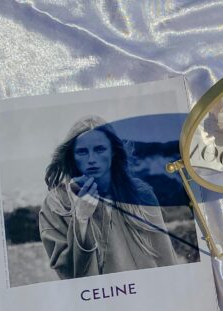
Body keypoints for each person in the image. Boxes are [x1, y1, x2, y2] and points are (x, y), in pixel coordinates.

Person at [39, 116, 178, 280]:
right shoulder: (56, 204)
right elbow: (69, 274)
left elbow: (167, 260)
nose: (91, 159)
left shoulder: (141, 194)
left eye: (100, 149)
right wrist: (81, 219)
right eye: (82, 151)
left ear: (113, 151)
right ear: (72, 156)